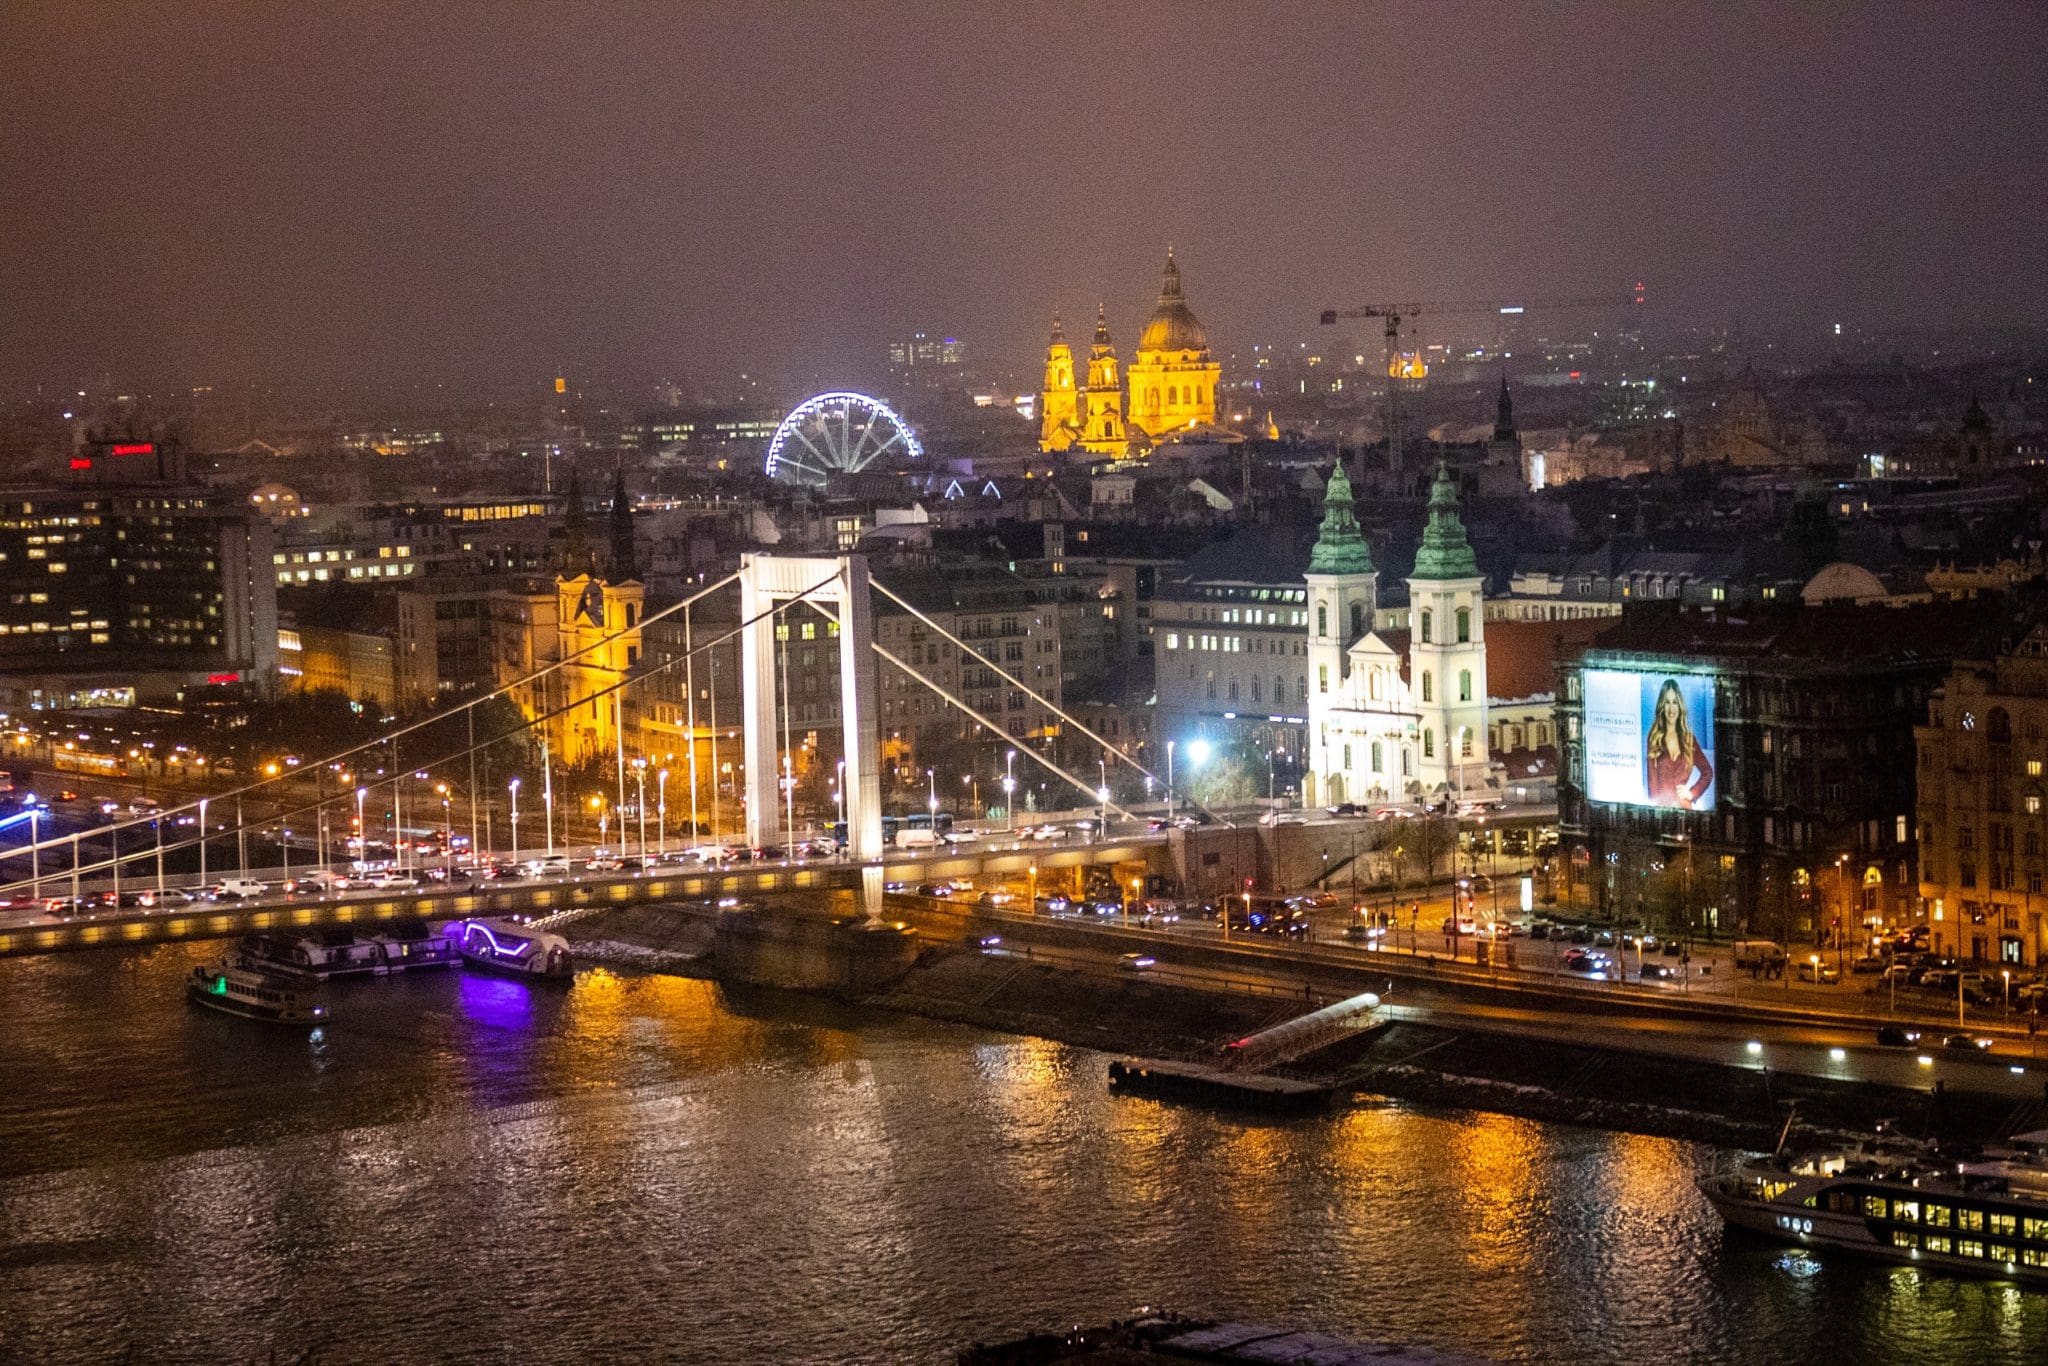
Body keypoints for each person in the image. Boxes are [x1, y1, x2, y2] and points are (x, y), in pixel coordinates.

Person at [1645, 678, 1714, 807]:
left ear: (1680, 706)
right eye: (1667, 703)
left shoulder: (1689, 740)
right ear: (1662, 706)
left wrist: (1693, 793)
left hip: (1685, 810)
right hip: (1662, 811)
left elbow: (1708, 772)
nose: (1671, 708)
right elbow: (1652, 788)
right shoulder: (1654, 738)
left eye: (1675, 702)